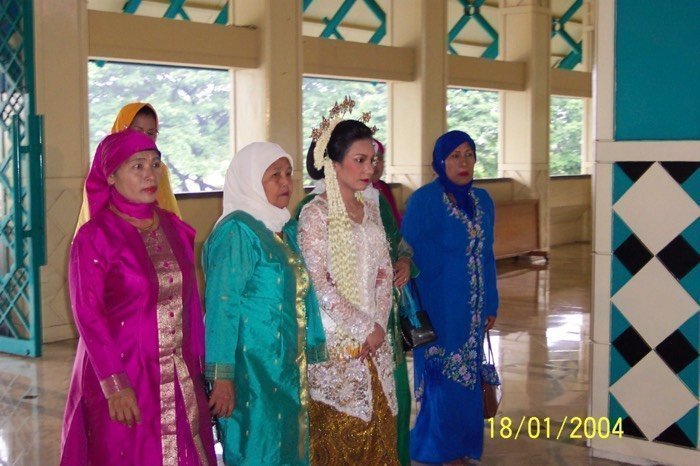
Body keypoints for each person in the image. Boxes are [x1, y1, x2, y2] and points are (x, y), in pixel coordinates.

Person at [60, 129, 216, 465]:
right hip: (124, 374)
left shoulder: (173, 227)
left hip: (178, 373)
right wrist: (114, 384)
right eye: (138, 166)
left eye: (155, 164)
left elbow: (190, 304)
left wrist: (202, 366)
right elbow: (88, 314)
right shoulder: (95, 237)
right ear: (111, 176)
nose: (150, 175)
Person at [203, 142, 325, 465]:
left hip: (286, 365)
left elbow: (304, 293)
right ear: (251, 180)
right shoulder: (238, 232)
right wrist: (222, 376)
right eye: (275, 175)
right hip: (251, 369)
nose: (286, 183)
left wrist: (314, 351)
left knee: (289, 445)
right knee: (257, 447)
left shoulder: (284, 229)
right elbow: (222, 305)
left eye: (288, 174)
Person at [298, 106, 399, 464]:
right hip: (339, 345)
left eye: (372, 160)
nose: (370, 169)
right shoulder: (314, 215)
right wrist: (362, 327)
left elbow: (384, 272)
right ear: (334, 164)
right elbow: (319, 285)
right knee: (343, 440)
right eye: (360, 160)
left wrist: (378, 325)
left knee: (380, 436)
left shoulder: (370, 209)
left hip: (376, 341)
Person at [402, 130, 499, 464]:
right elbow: (406, 253)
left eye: (469, 154)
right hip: (437, 306)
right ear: (440, 162)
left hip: (472, 307)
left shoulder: (482, 201)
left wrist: (491, 302)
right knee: (442, 377)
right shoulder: (424, 200)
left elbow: (487, 255)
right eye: (455, 156)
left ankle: (464, 444)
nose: (463, 162)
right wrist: (413, 309)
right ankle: (440, 448)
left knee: (468, 377)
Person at [75, 102, 181, 234]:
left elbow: (167, 207)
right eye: (137, 131)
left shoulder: (159, 169)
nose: (144, 137)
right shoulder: (104, 170)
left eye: (151, 132)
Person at [371, 138, 402, 226]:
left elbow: (396, 220)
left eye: (379, 158)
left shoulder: (383, 187)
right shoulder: (349, 193)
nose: (376, 163)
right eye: (371, 159)